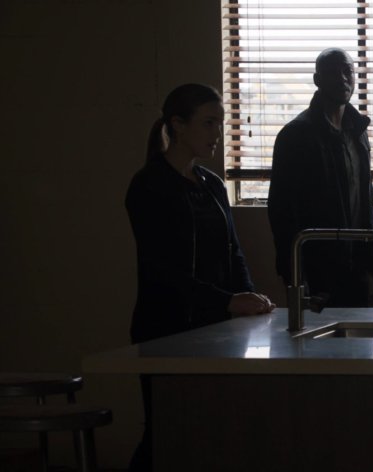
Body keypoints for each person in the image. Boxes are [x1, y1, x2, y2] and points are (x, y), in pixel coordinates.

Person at [125, 83, 275, 471]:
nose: (217, 134)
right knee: (167, 432)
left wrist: (248, 297)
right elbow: (162, 268)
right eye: (208, 123)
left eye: (220, 123)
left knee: (213, 428)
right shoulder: (149, 185)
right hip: (166, 325)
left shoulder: (211, 185)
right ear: (177, 125)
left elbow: (233, 250)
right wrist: (227, 301)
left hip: (216, 327)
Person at [268, 48, 373, 308]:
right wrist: (296, 278)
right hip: (317, 270)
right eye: (333, 73)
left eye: (348, 71)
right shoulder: (296, 135)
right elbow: (282, 213)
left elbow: (365, 205)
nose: (343, 79)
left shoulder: (357, 131)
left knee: (360, 346)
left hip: (356, 268)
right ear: (317, 80)